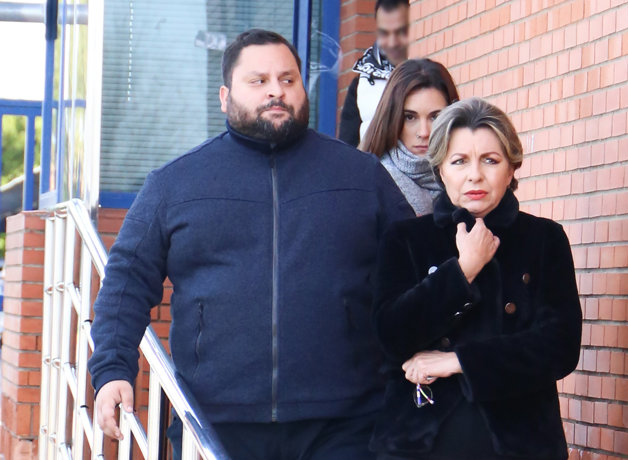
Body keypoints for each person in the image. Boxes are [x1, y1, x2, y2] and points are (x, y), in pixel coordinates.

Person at [88, 29, 414, 460]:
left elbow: (415, 275)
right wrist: (112, 369)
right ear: (225, 97)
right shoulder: (175, 185)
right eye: (258, 81)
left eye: (287, 79)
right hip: (214, 424)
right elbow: (125, 283)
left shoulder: (361, 177)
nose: (276, 91)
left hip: (346, 424)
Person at [369, 98, 582, 459]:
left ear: (511, 168)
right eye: (459, 161)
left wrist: (459, 360)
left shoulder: (543, 239)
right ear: (440, 169)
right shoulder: (406, 239)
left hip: (521, 443)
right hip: (420, 442)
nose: (475, 175)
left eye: (490, 160)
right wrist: (463, 270)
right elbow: (390, 336)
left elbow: (560, 347)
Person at [360, 59, 458, 216]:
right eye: (410, 117)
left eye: (435, 117)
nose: (424, 132)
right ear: (392, 118)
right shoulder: (372, 183)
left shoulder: (471, 177)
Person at [338, 0, 410, 147]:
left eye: (400, 31)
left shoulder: (429, 76)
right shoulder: (360, 85)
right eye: (385, 33)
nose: (392, 42)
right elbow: (346, 149)